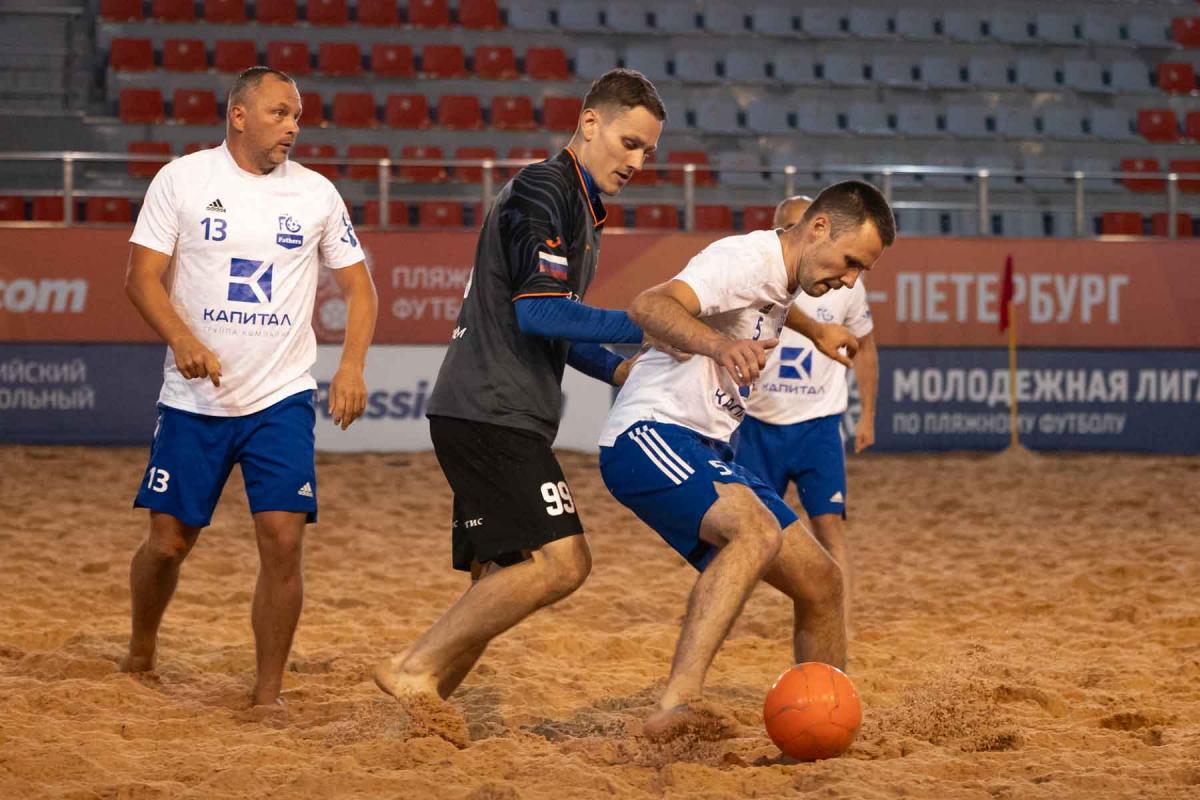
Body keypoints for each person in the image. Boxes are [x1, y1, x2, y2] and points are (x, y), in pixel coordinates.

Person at [373, 69, 666, 701]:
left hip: (487, 409)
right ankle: (410, 669)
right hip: (492, 411)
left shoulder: (577, 203)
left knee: (497, 578)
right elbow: (539, 313)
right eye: (631, 143)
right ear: (590, 123)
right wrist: (650, 322)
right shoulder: (544, 187)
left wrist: (618, 368)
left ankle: (426, 709)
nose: (638, 162)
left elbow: (553, 323)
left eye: (648, 151)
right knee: (563, 563)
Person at [598, 181, 895, 738]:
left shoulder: (781, 277)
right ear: (820, 227)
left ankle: (828, 715)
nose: (851, 280)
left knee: (823, 582)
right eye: (851, 262)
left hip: (706, 447)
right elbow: (648, 305)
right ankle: (677, 705)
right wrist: (720, 345)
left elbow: (767, 303)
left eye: (862, 271)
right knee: (755, 533)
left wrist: (817, 329)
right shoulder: (742, 257)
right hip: (650, 432)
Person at [121, 66, 378, 707]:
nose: (293, 127)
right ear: (239, 115)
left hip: (281, 399)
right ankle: (142, 648)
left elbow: (360, 289)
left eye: (297, 117)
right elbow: (140, 279)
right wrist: (182, 340)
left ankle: (267, 695)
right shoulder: (182, 179)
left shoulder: (316, 194)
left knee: (284, 540)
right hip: (195, 401)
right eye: (279, 113)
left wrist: (351, 366)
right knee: (167, 545)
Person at [734, 195, 878, 622]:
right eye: (788, 227)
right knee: (744, 530)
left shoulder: (846, 287)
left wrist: (868, 415)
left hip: (818, 426)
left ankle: (839, 625)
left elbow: (867, 348)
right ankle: (724, 614)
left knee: (829, 528)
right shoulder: (760, 276)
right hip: (759, 424)